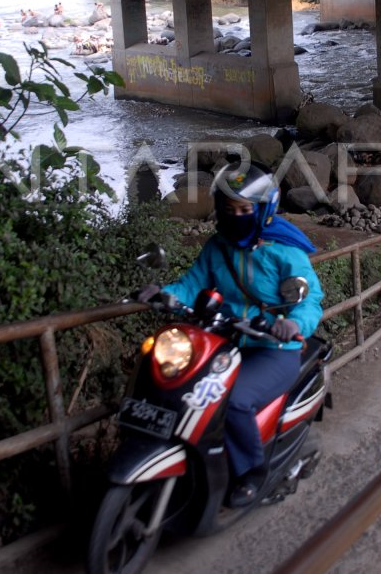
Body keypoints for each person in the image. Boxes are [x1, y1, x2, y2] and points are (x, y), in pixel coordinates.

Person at [144, 160, 323, 508]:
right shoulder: (217, 247)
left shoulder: (284, 251)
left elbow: (310, 299)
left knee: (235, 399)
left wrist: (293, 323)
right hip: (224, 341)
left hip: (274, 348)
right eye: (229, 208)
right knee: (181, 386)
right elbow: (192, 283)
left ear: (262, 210)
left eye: (245, 209)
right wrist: (165, 294)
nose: (236, 214)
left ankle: (251, 471)